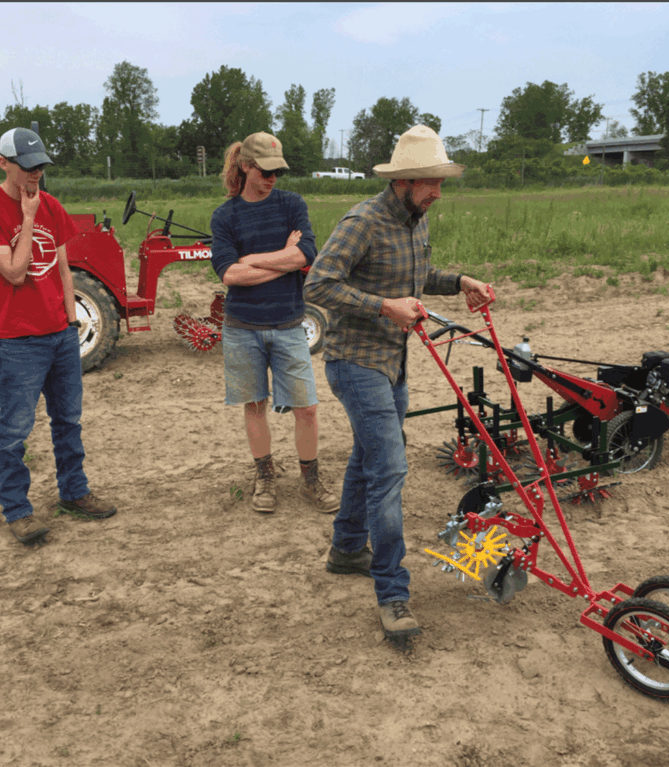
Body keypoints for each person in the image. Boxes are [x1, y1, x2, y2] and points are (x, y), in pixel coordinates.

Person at [304, 125, 493, 640]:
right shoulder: (362, 221)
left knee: (369, 458)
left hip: (394, 362)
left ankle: (347, 550)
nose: (437, 193)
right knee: (390, 468)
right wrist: (382, 307)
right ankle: (392, 593)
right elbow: (317, 283)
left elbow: (414, 277)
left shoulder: (416, 220)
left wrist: (459, 283)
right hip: (355, 361)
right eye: (431, 183)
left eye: (440, 183)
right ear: (405, 179)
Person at [0, 127, 117, 546]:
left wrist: (71, 323)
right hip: (17, 342)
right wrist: (28, 218)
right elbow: (15, 273)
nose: (36, 174)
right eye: (27, 167)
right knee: (15, 429)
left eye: (41, 166)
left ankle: (74, 491)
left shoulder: (52, 205)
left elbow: (63, 269)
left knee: (68, 420)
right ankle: (17, 510)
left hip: (60, 336)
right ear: (3, 163)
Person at [209, 131, 338, 515]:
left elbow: (306, 255)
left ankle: (311, 478)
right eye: (265, 171)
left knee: (307, 409)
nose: (272, 179)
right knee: (254, 405)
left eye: (277, 172)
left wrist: (255, 260)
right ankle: (264, 476)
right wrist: (283, 255)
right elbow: (229, 276)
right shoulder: (225, 215)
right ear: (246, 166)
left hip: (288, 325)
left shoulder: (292, 204)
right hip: (242, 327)